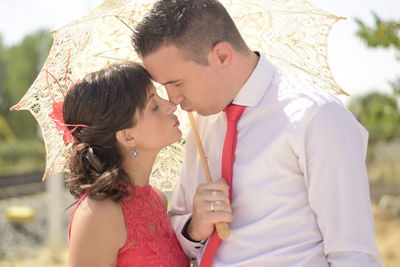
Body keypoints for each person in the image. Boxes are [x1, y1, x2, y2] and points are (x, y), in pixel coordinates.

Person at [132, 0, 382, 266]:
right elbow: (180, 237)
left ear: (221, 56)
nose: (173, 99)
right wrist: (194, 227)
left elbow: (353, 252)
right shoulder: (201, 122)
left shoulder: (316, 116)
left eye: (177, 83)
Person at [63, 62, 189, 267]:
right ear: (127, 136)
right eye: (154, 105)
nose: (171, 105)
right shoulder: (97, 214)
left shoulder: (157, 198)